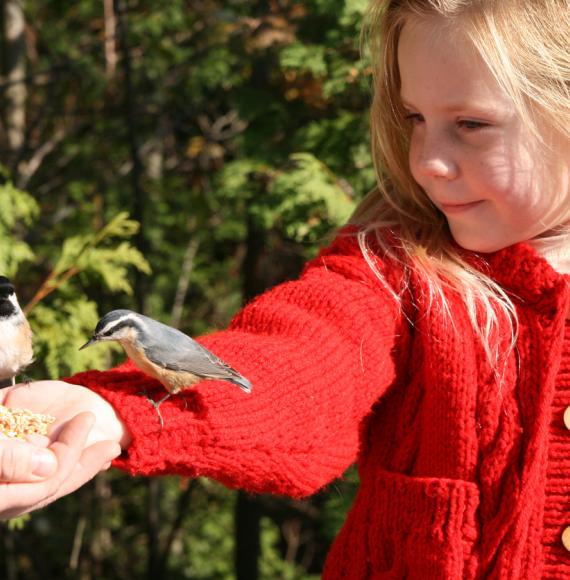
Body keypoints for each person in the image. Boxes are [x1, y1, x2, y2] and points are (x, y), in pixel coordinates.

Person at [3, 0, 570, 576]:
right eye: (413, 119)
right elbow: (303, 358)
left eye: (470, 125)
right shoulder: (396, 267)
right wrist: (115, 407)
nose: (425, 161)